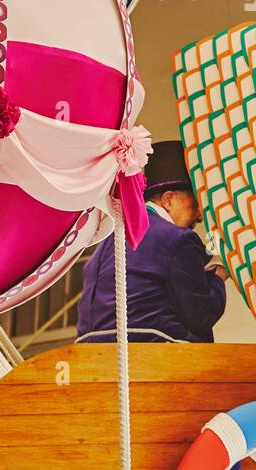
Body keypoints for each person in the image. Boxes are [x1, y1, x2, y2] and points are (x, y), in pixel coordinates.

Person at [76, 139, 228, 344]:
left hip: (92, 353)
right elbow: (202, 314)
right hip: (157, 354)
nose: (199, 216)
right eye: (194, 205)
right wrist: (219, 273)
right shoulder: (179, 239)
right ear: (168, 200)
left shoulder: (107, 242)